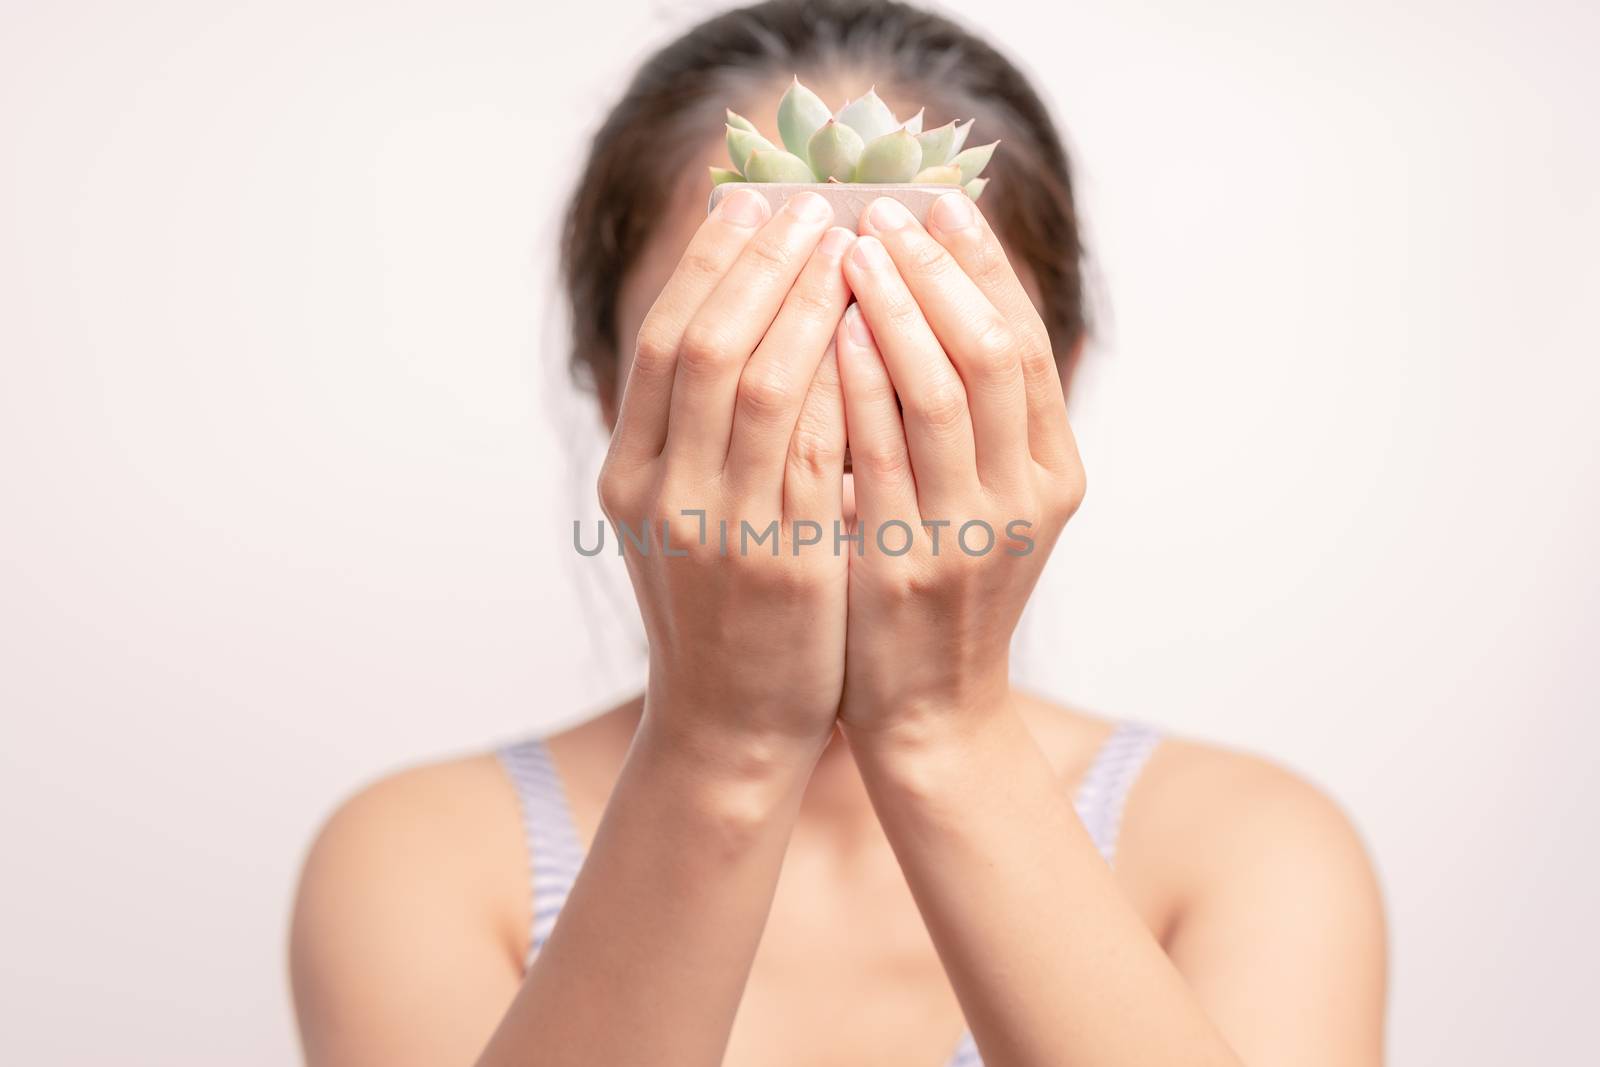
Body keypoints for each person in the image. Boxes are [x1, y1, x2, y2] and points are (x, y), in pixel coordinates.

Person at [289, 2, 1387, 1064]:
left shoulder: (1246, 850)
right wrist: (723, 744)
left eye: (912, 331)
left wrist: (938, 726)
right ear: (605, 373)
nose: (812, 408)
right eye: (745, 332)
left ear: (1054, 373)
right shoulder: (420, 858)